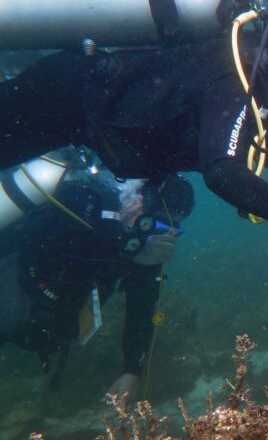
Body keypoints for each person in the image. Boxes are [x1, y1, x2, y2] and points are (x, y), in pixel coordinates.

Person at [0, 12, 268, 237]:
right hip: (61, 97)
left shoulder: (259, 83)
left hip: (80, 117)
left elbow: (249, 139)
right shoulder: (236, 80)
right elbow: (221, 169)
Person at [0, 172, 194, 403]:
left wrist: (132, 371)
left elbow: (141, 309)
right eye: (162, 225)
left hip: (37, 323)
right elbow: (36, 246)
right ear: (138, 206)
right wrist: (125, 250)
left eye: (175, 230)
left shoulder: (144, 245)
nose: (167, 236)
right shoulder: (85, 203)